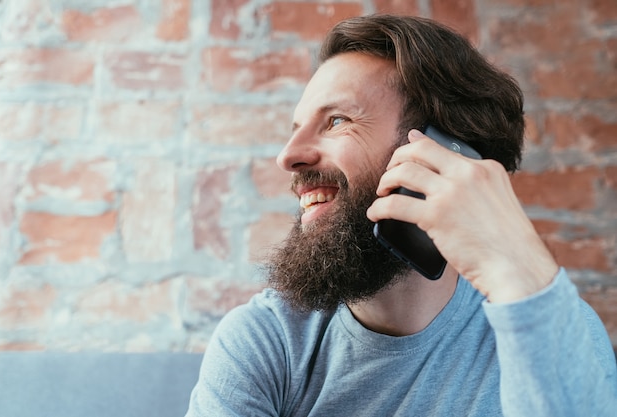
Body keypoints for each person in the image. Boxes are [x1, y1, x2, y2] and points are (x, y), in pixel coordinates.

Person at [185, 14, 616, 416]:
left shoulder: (558, 334)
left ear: (445, 154)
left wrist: (520, 269)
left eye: (336, 121)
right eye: (296, 128)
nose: (288, 157)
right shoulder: (267, 342)